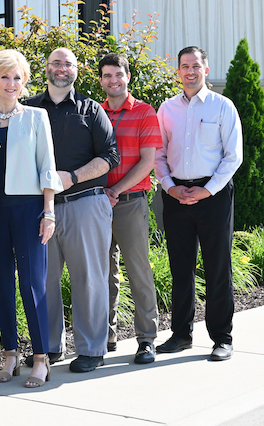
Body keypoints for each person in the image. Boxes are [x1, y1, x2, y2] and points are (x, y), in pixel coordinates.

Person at [24, 47, 120, 372]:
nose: (62, 68)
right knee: (44, 279)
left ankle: (92, 349)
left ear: (76, 70)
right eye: (56, 63)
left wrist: (73, 177)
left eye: (68, 63)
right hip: (40, 210)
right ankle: (49, 347)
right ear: (46, 68)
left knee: (90, 278)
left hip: (85, 203)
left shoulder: (91, 110)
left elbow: (110, 156)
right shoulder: (29, 109)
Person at [155, 46, 243, 361]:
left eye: (195, 66)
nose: (190, 71)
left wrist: (207, 191)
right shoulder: (166, 109)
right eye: (184, 66)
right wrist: (170, 187)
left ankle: (222, 337)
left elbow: (234, 156)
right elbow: (159, 154)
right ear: (177, 71)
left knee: (217, 266)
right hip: (176, 196)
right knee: (180, 268)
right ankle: (181, 335)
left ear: (205, 70)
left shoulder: (223, 106)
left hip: (214, 196)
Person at [0, 50, 63, 387]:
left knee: (32, 285)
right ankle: (10, 355)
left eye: (17, 77)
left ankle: (41, 358)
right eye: (5, 77)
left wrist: (49, 212)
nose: (12, 84)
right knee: (2, 284)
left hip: (30, 210)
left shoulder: (36, 117)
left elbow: (47, 165)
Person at [98, 53, 161, 364]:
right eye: (107, 75)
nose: (113, 80)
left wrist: (115, 190)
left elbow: (148, 163)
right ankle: (105, 336)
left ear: (128, 76)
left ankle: (147, 338)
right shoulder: (94, 113)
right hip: (97, 205)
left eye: (118, 74)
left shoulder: (145, 113)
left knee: (138, 271)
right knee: (103, 273)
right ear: (100, 80)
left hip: (129, 203)